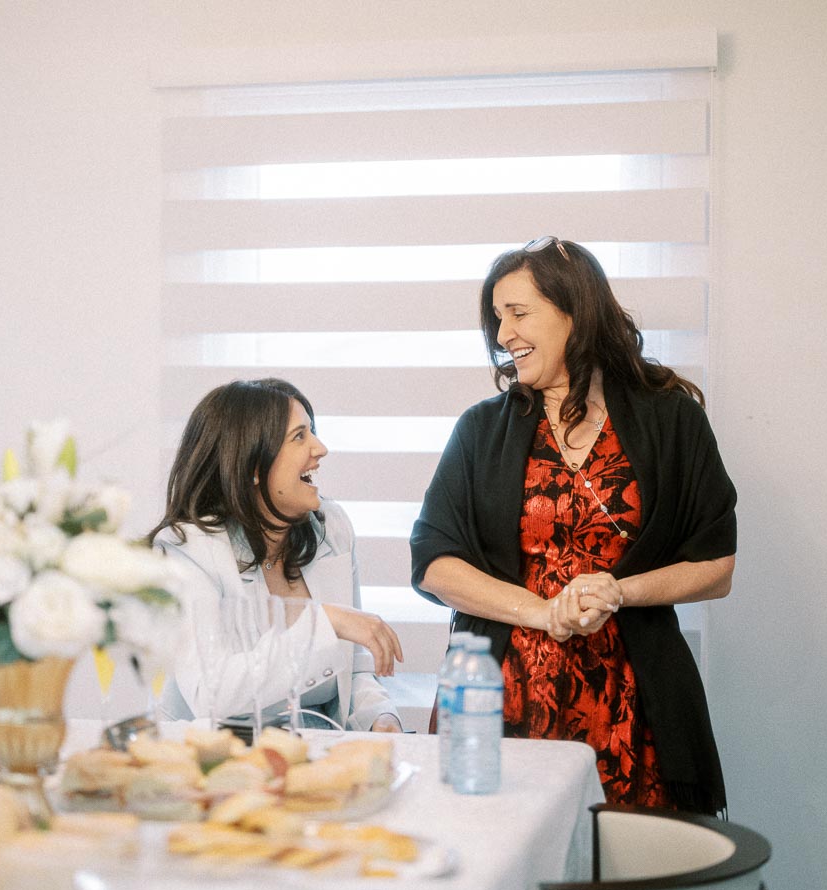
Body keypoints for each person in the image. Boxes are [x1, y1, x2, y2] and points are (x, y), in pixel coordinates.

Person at [411, 237, 736, 813]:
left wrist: (618, 591)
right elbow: (435, 563)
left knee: (624, 871)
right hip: (503, 696)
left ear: (574, 312)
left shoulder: (671, 417)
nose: (503, 333)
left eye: (518, 313)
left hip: (634, 702)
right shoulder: (481, 430)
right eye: (496, 319)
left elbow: (715, 566)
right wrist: (541, 612)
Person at [150, 378, 404, 733]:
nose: (320, 448)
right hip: (216, 766)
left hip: (317, 761)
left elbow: (356, 668)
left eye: (312, 431)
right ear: (253, 466)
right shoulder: (187, 550)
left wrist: (380, 716)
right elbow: (210, 693)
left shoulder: (331, 528)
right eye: (299, 436)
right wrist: (325, 624)